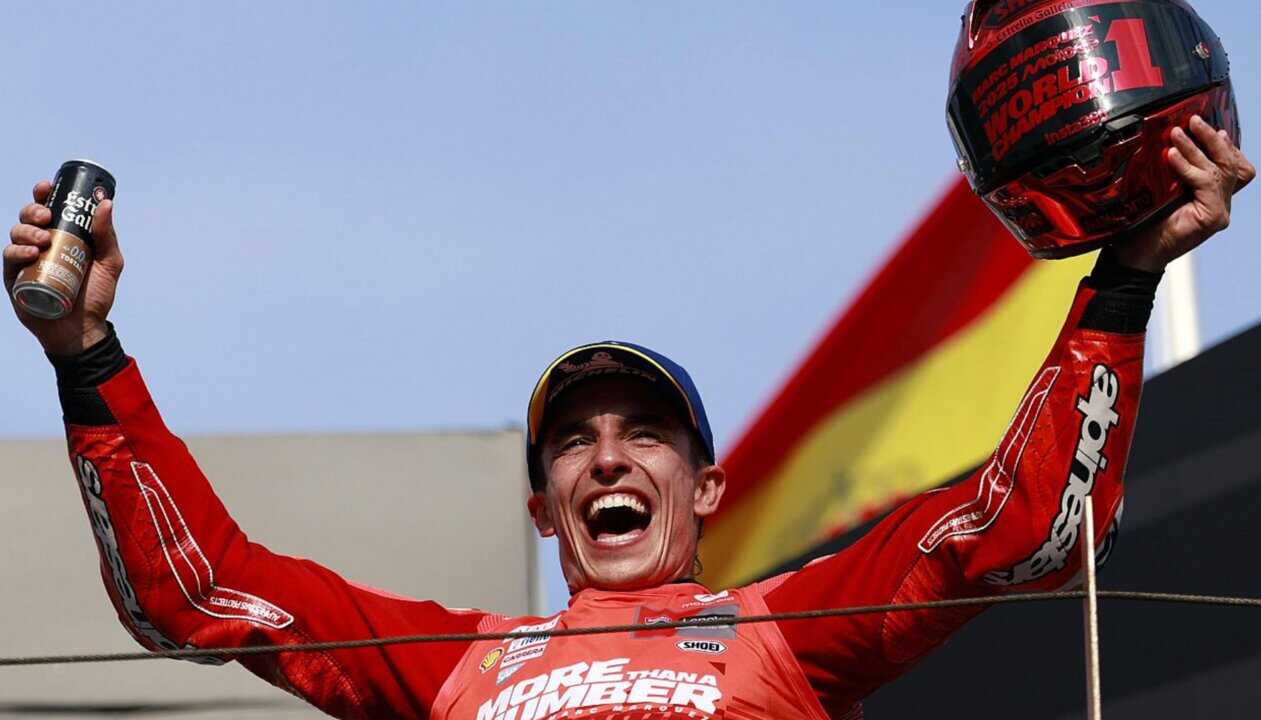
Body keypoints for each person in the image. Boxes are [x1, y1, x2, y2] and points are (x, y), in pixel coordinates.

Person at [3, 115, 1252, 719]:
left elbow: (1016, 530)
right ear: (540, 505)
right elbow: (198, 593)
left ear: (704, 487)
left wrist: (1125, 278)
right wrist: (85, 351)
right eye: (573, 441)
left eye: (643, 432)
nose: (606, 455)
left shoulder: (785, 627)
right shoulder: (459, 661)